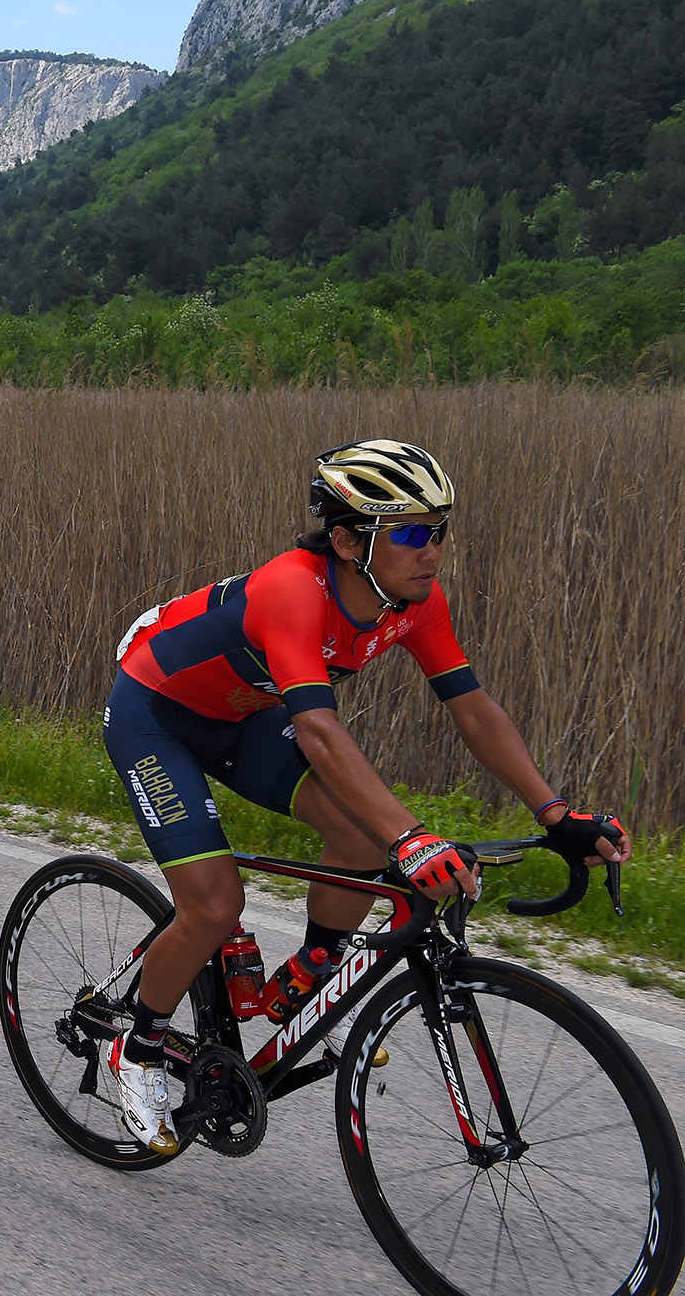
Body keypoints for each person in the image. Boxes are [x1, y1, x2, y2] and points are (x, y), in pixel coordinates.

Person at [99, 439, 630, 1154]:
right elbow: (316, 729)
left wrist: (555, 812)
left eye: (440, 530)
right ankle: (136, 1048)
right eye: (411, 532)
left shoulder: (412, 600)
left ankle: (317, 978)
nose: (432, 549)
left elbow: (471, 708)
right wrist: (411, 837)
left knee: (358, 836)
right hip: (154, 713)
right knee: (215, 903)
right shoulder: (294, 589)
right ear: (349, 539)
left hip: (240, 715)